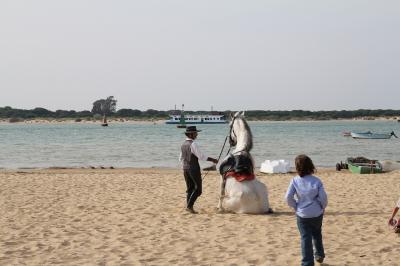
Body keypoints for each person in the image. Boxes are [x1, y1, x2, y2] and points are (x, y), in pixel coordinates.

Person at [285, 154, 328, 266]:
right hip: (316, 213)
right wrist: (322, 207)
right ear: (311, 165)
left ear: (297, 167)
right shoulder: (317, 181)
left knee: (305, 238)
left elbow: (288, 198)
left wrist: (295, 206)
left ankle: (307, 263)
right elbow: (323, 198)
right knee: (317, 234)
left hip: (302, 215)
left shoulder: (295, 180)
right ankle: (319, 255)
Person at [179, 126, 218, 214]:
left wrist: (186, 165)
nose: (197, 135)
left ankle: (188, 207)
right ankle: (189, 207)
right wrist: (213, 160)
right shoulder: (193, 144)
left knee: (190, 188)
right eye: (195, 133)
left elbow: (180, 158)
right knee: (198, 190)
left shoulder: (183, 144)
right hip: (193, 169)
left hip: (185, 169)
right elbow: (201, 157)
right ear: (191, 134)